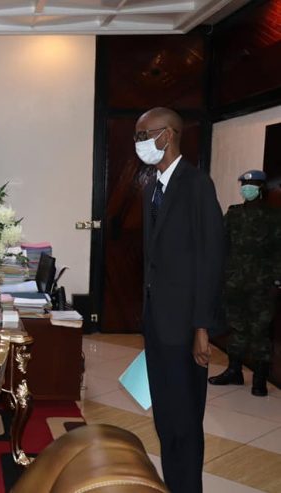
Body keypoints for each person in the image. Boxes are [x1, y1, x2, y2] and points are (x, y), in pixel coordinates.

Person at [136, 107, 225, 493]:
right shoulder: (152, 188)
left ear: (167, 135)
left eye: (144, 135)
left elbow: (211, 259)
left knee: (186, 419)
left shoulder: (196, 185)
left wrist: (202, 327)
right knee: (166, 416)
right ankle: (173, 483)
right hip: (156, 322)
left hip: (186, 324)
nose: (139, 143)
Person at [209, 169, 281, 396]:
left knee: (260, 331)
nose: (246, 189)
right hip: (235, 282)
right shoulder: (234, 214)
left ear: (261, 189)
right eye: (244, 185)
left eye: (251, 185)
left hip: (262, 285)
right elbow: (221, 244)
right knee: (236, 328)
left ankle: (260, 379)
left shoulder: (274, 217)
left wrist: (277, 282)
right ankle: (234, 371)